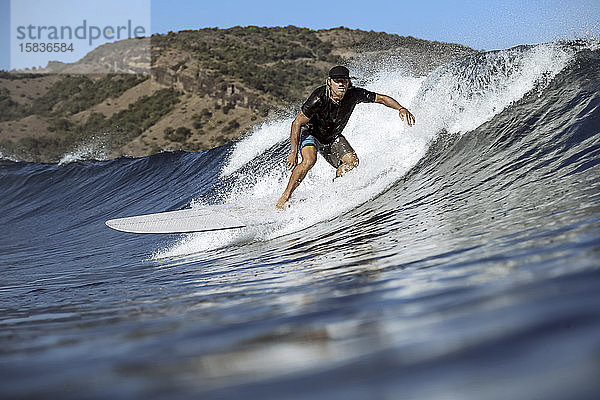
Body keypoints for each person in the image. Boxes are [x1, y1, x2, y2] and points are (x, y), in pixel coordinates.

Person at [275, 65, 416, 209]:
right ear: (329, 82)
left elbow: (381, 98)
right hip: (311, 133)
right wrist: (293, 153)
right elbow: (297, 122)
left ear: (348, 82)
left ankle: (335, 193)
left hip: (332, 137)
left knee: (352, 162)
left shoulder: (354, 94)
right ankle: (285, 197)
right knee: (310, 160)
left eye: (344, 80)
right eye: (337, 81)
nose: (341, 83)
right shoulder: (319, 97)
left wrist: (401, 108)